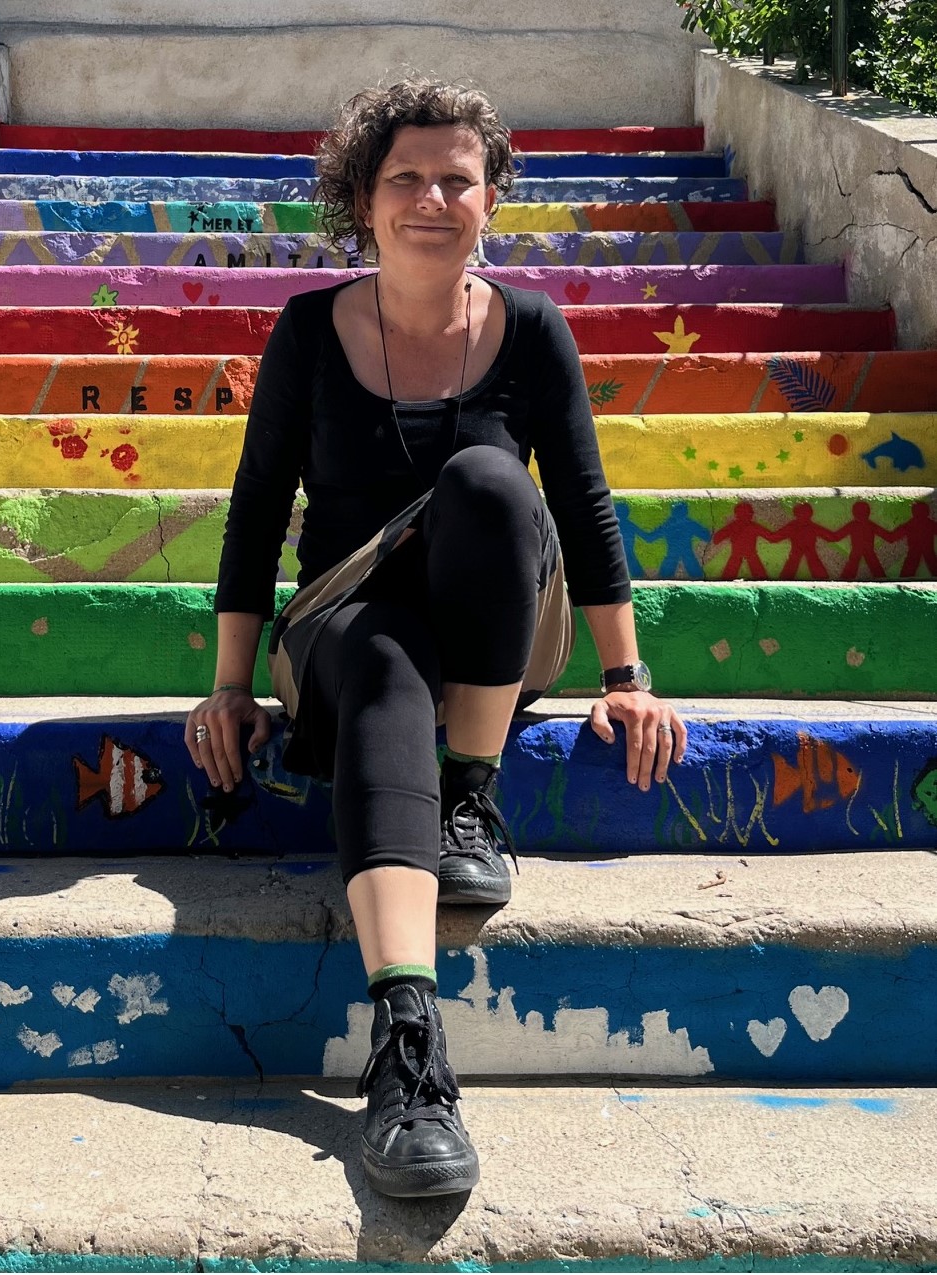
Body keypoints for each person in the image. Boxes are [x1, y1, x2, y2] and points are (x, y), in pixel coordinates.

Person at [184, 77, 688, 1200]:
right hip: (344, 628)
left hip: (494, 638)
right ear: (363, 199)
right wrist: (229, 684)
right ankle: (408, 1042)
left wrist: (627, 674)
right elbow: (257, 510)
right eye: (404, 177)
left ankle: (470, 787)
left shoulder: (532, 327)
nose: (431, 198)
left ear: (491, 196)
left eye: (456, 178)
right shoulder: (310, 328)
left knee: (492, 484)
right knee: (377, 655)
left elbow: (586, 506)